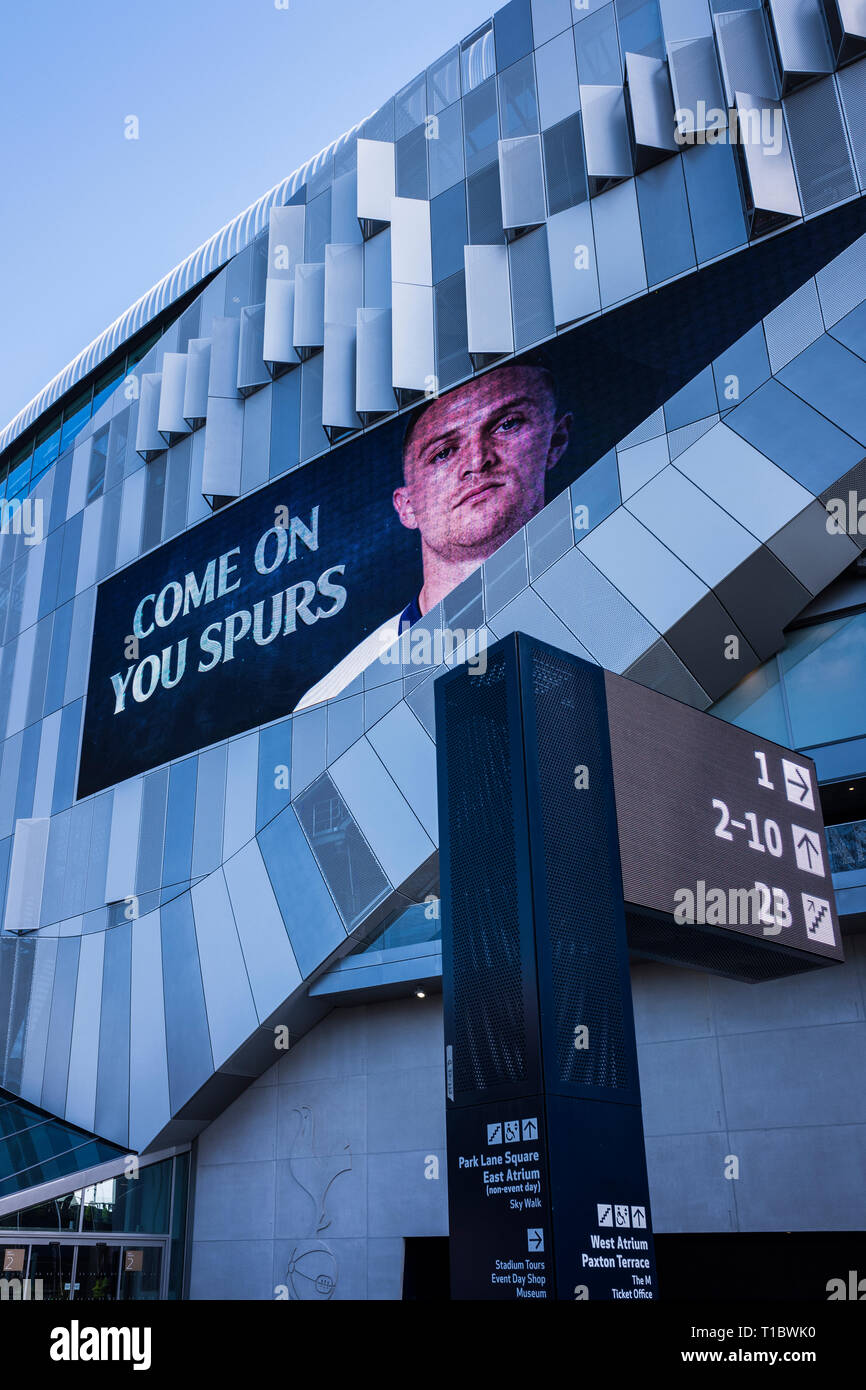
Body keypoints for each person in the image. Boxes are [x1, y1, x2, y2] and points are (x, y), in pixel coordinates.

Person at [294, 358, 573, 710]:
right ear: (407, 506)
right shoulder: (335, 698)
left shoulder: (633, 588)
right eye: (443, 453)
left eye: (506, 425)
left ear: (555, 440)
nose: (476, 460)